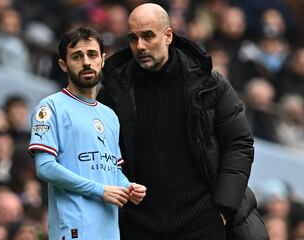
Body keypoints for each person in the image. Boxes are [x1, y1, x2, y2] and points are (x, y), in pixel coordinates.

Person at [97, 3, 268, 240]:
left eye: (148, 36)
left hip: (201, 222)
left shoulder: (209, 83)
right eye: (133, 38)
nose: (140, 46)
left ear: (168, 36)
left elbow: (239, 143)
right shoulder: (114, 91)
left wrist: (223, 209)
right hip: (138, 225)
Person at [28, 26, 146, 240]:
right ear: (63, 65)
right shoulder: (51, 106)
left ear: (102, 59)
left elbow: (111, 170)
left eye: (92, 54)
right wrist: (100, 190)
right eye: (77, 56)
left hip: (109, 231)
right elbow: (45, 168)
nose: (86, 62)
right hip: (74, 229)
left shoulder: (109, 115)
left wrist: (128, 187)